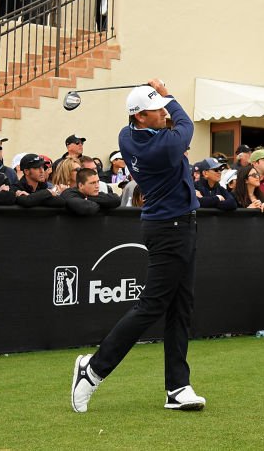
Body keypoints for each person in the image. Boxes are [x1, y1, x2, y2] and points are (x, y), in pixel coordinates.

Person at [72, 79, 205, 414]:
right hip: (170, 229)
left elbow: (168, 124)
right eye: (156, 110)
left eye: (161, 108)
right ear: (141, 117)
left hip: (178, 225)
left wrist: (156, 98)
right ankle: (94, 369)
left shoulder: (126, 135)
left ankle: (177, 387)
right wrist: (167, 93)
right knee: (152, 305)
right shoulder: (162, 146)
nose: (163, 113)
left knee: (180, 307)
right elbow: (186, 123)